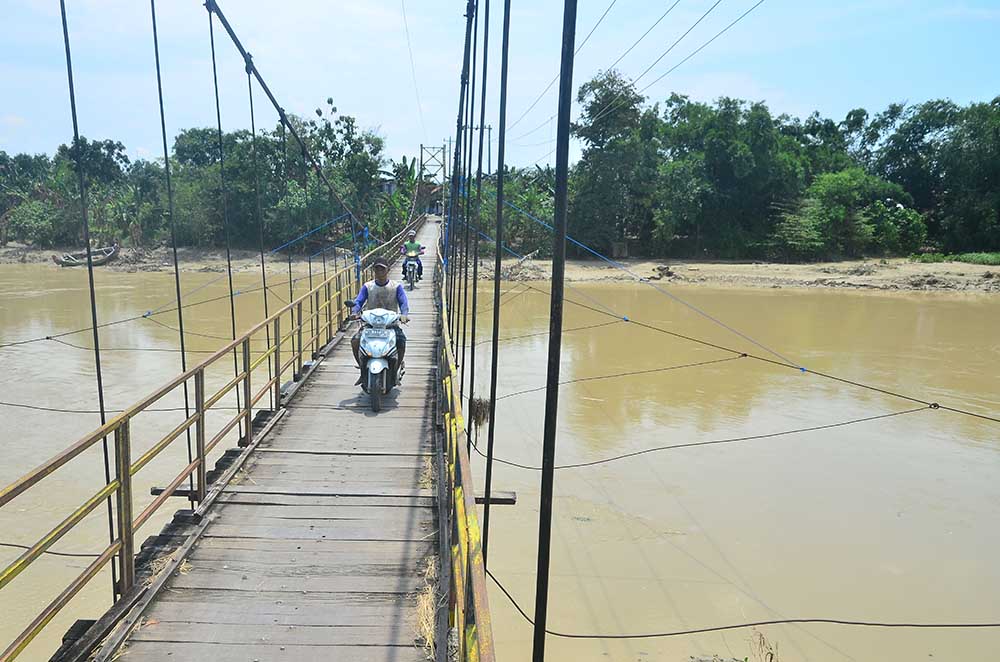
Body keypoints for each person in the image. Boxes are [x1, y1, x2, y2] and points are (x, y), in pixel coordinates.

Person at [350, 256, 409, 385]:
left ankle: (395, 371)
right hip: (370, 325)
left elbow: (403, 302)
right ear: (374, 271)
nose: (380, 272)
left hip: (390, 325)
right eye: (377, 270)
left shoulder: (396, 287)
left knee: (401, 342)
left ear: (387, 270)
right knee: (355, 341)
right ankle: (362, 371)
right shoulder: (368, 286)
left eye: (382, 269)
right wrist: (354, 312)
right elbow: (359, 301)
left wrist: (404, 314)